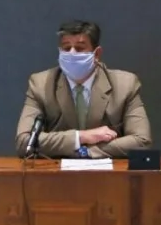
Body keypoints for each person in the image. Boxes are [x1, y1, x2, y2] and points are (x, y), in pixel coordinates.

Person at [16, 20, 152, 158]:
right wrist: (81, 137)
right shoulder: (41, 85)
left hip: (108, 171)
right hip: (55, 170)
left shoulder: (125, 85)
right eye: (66, 48)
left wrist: (86, 152)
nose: (72, 54)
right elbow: (24, 142)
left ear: (97, 54)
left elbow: (142, 141)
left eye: (79, 48)